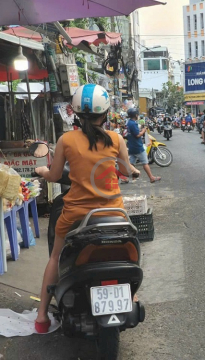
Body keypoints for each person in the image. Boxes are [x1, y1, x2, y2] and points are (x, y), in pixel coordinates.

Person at [33, 84, 135, 333]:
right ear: (106, 112)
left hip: (76, 215)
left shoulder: (66, 139)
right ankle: (129, 299)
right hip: (113, 213)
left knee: (56, 257)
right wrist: (130, 169)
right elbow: (125, 170)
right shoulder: (116, 138)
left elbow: (56, 175)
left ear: (76, 114)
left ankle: (42, 316)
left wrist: (42, 171)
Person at [126, 108, 161, 183]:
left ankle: (124, 178)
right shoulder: (133, 123)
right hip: (137, 146)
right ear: (136, 115)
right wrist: (143, 130)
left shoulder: (129, 123)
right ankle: (151, 177)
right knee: (145, 162)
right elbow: (138, 135)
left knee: (131, 163)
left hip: (131, 145)